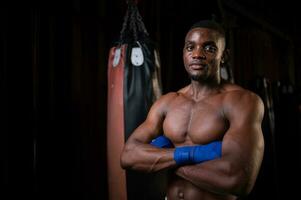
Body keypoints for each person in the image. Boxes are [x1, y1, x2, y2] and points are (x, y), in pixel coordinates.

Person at [120, 19, 265, 200]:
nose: (197, 54)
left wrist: (161, 160)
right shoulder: (167, 102)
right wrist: (200, 154)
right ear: (184, 53)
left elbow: (237, 179)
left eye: (209, 48)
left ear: (224, 56)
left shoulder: (242, 101)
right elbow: (128, 155)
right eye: (190, 47)